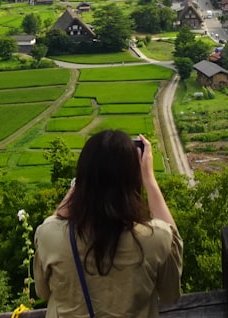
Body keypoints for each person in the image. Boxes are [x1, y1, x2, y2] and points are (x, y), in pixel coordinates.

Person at [34, 130, 183, 317]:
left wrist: (80, 184)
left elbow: (42, 291)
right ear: (131, 180)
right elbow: (171, 292)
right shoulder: (155, 239)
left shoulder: (49, 236)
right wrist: (149, 178)